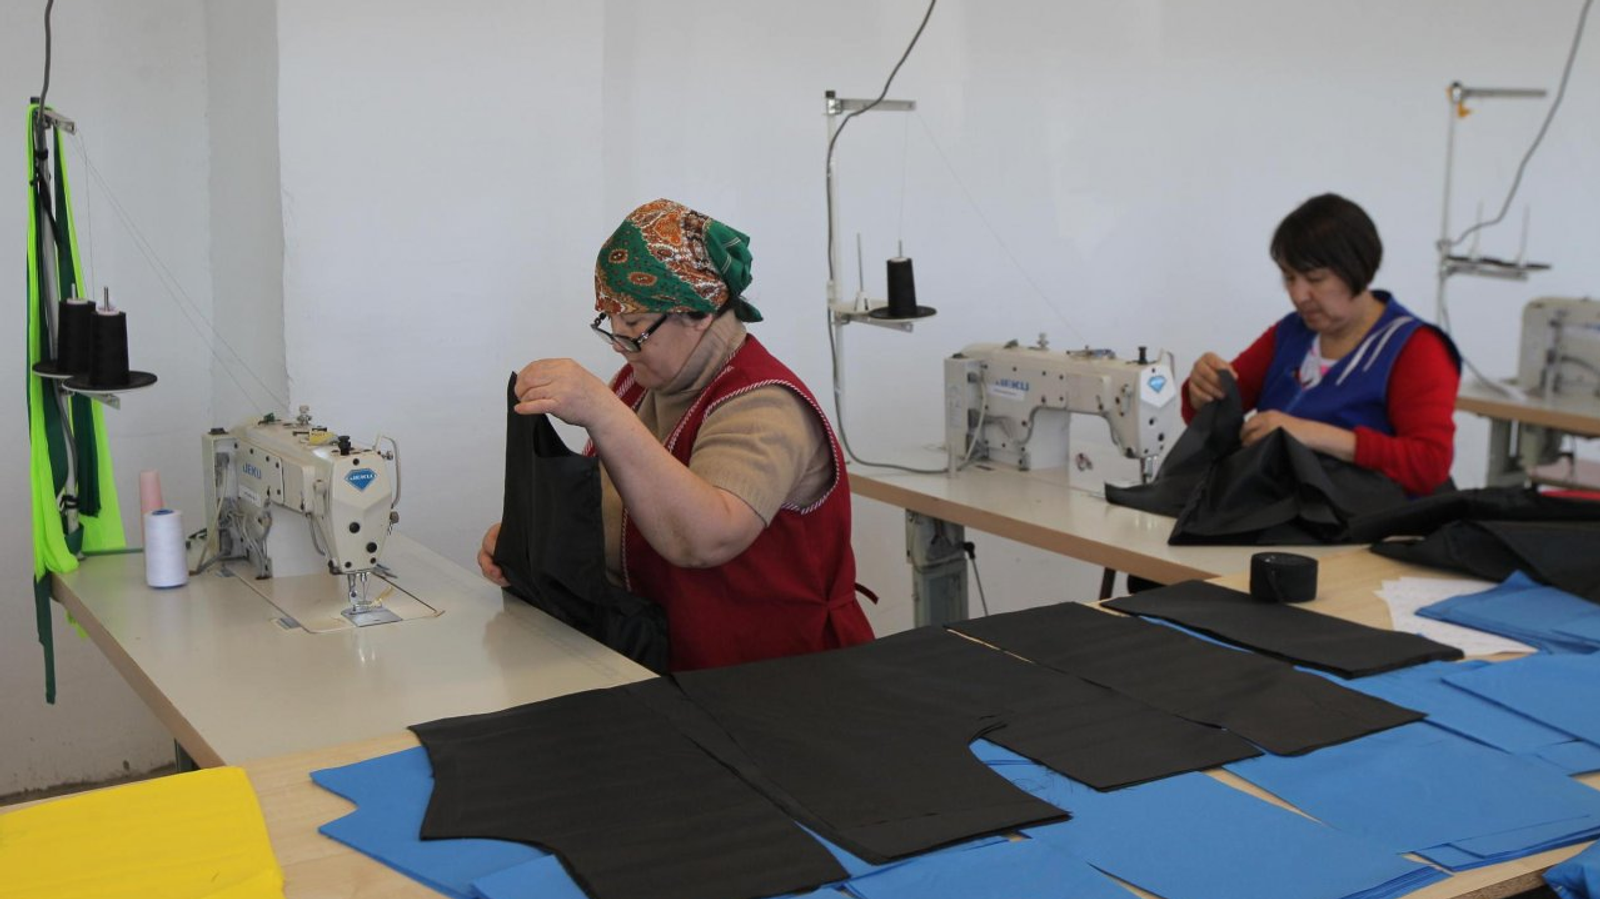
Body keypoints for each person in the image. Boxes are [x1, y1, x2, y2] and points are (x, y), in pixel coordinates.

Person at [478, 198, 874, 671]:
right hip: (678, 667)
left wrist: (602, 413)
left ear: (701, 312)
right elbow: (616, 517)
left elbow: (705, 540)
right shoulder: (640, 385)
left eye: (634, 326)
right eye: (610, 322)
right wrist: (532, 548)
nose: (621, 345)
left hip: (780, 677)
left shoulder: (765, 405)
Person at [1183, 193, 1461, 496]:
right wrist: (1203, 391)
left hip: (1363, 518)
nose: (1298, 295)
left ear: (1358, 269)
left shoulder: (1417, 349)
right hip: (1279, 507)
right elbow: (1217, 415)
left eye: (1315, 278)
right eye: (1289, 278)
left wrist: (1312, 434)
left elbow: (1429, 464)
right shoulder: (1291, 333)